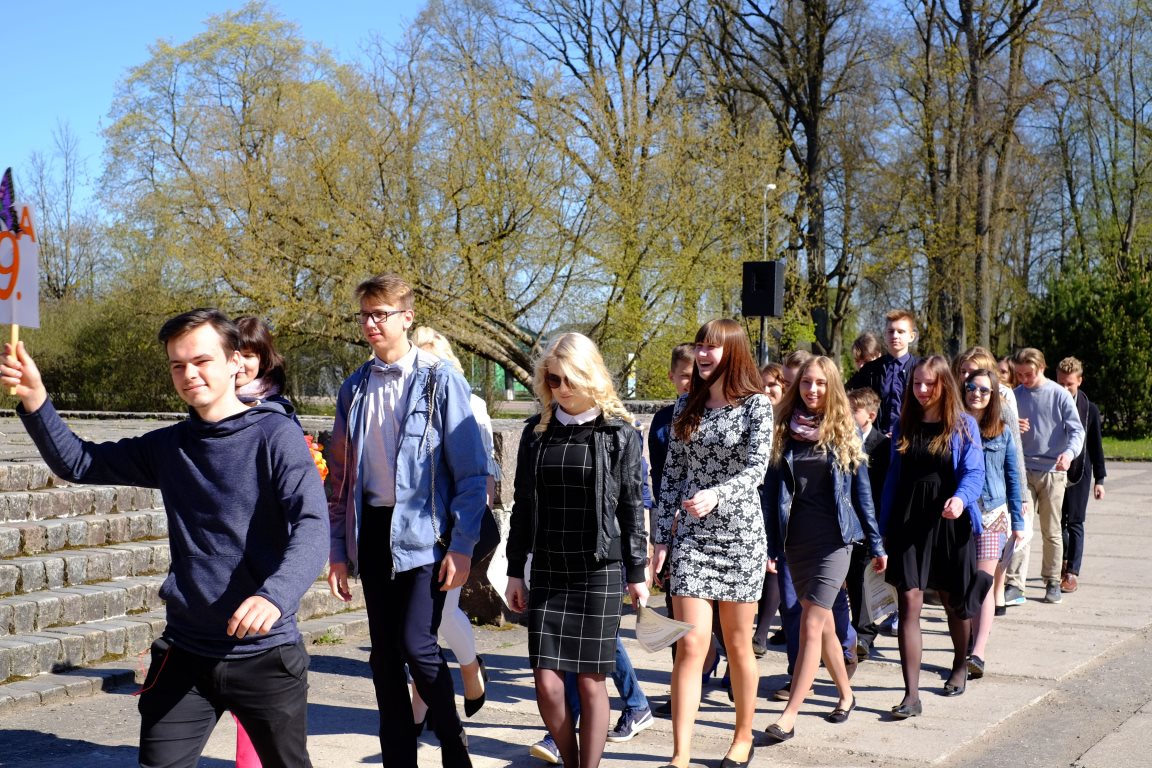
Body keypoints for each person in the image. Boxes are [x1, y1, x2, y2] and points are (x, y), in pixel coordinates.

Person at [1, 310, 329, 768]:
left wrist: (273, 595)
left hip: (265, 655)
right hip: (185, 653)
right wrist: (36, 399)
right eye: (178, 365)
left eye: (202, 360)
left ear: (235, 361)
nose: (189, 374)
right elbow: (78, 462)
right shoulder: (169, 446)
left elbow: (312, 524)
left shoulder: (276, 436)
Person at [327, 274, 488, 768]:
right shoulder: (355, 388)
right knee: (383, 655)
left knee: (418, 645)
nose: (371, 323)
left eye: (381, 314)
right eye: (365, 315)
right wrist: (337, 551)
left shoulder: (441, 380)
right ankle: (399, 758)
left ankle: (453, 746)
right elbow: (340, 479)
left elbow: (472, 472)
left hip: (426, 531)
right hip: (373, 530)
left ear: (407, 318)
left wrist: (461, 545)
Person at [504, 332, 649, 768]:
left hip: (598, 570)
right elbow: (523, 505)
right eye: (553, 380)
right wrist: (514, 570)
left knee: (590, 681)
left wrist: (637, 573)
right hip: (549, 567)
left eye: (569, 379)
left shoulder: (619, 434)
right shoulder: (536, 432)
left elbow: (631, 506)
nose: (561, 389)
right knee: (547, 684)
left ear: (589, 375)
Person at [651, 319, 773, 768]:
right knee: (691, 645)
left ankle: (743, 736)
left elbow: (757, 469)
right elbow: (672, 473)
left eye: (712, 347)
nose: (702, 354)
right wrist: (660, 538)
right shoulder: (687, 403)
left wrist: (717, 494)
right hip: (692, 538)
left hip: (740, 537)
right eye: (700, 346)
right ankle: (680, 754)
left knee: (738, 645)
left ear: (733, 352)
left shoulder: (756, 406)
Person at [761, 357, 886, 742]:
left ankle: (789, 715)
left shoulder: (845, 429)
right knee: (827, 624)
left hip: (834, 542)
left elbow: (862, 493)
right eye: (806, 383)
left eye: (819, 383)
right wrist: (769, 544)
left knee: (811, 623)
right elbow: (771, 495)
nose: (812, 390)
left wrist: (876, 542)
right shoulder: (783, 428)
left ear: (831, 386)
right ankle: (846, 695)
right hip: (796, 542)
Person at [879, 355, 986, 718]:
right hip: (909, 521)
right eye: (917, 384)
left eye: (930, 384)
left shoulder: (964, 425)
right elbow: (893, 480)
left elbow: (974, 472)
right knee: (909, 602)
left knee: (954, 600)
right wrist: (882, 530)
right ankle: (911, 695)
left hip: (949, 520)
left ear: (944, 384)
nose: (922, 390)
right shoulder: (904, 423)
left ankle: (959, 662)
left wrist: (961, 499)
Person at [407, 326, 498, 725]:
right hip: (415, 527)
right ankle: (466, 673)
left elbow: (483, 473)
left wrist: (467, 533)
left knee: (435, 615)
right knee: (425, 619)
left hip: (456, 528)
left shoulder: (470, 404)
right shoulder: (405, 402)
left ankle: (450, 684)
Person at [232, 316, 306, 768]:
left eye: (249, 354)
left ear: (264, 359)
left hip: (267, 557)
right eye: (233, 353)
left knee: (257, 669)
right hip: (226, 556)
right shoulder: (210, 410)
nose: (241, 363)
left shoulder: (278, 415)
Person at [1005, 348, 1085, 606]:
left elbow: (1077, 431)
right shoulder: (1014, 395)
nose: (1023, 379)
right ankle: (1014, 583)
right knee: (1020, 528)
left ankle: (1052, 581)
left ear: (1041, 368)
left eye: (1028, 374)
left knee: (1051, 530)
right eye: (1019, 375)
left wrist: (1069, 454)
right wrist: (1011, 425)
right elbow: (998, 426)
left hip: (1053, 471)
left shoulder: (1059, 394)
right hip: (1022, 470)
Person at [960, 368, 1023, 679]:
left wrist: (1018, 520)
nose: (977, 394)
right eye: (972, 387)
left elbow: (1013, 477)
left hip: (993, 514)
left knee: (983, 582)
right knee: (965, 582)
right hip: (960, 514)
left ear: (993, 395)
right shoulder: (954, 427)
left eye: (984, 390)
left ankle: (978, 652)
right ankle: (967, 639)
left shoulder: (1003, 432)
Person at [1054, 357, 1106, 594]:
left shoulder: (1090, 410)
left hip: (1080, 472)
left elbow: (1096, 446)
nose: (1065, 389)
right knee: (1057, 521)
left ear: (1080, 381)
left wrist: (1100, 480)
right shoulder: (1051, 403)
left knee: (1075, 521)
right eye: (1061, 384)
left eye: (1070, 384)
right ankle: (1063, 560)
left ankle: (1072, 572)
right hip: (1055, 471)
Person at [845, 387, 890, 659]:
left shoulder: (881, 445)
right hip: (847, 521)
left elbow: (882, 489)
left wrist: (880, 529)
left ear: (870, 416)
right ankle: (852, 633)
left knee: (863, 580)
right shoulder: (842, 439)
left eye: (854, 411)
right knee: (850, 579)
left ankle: (864, 635)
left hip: (870, 522)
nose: (848, 414)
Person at [751, 361, 786, 657]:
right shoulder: (751, 416)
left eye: (772, 384)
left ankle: (760, 634)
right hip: (754, 497)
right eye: (760, 385)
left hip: (780, 500)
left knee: (773, 564)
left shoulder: (789, 422)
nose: (765, 390)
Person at [847, 309, 920, 436]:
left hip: (911, 437)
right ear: (885, 335)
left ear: (911, 336)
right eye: (891, 331)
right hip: (877, 441)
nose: (895, 336)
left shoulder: (921, 368)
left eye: (901, 332)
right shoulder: (870, 370)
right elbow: (846, 396)